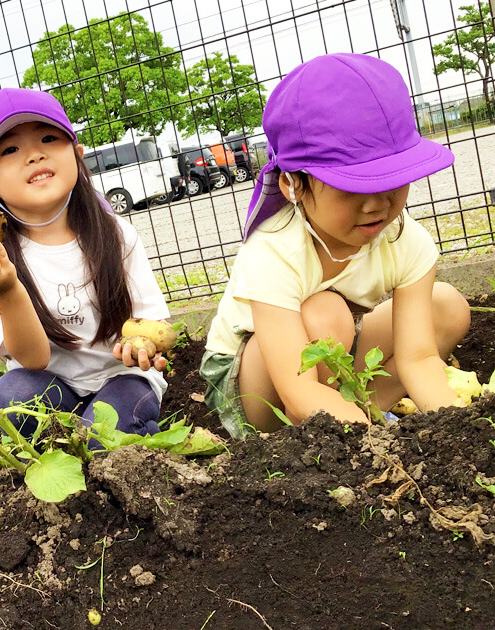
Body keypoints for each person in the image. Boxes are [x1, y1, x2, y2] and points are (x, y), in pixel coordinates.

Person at [200, 53, 470, 438]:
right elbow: (298, 387)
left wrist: (458, 432)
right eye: (354, 185)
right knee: (326, 315)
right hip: (254, 380)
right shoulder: (273, 249)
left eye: (392, 178)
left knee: (446, 306)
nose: (376, 203)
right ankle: (325, 438)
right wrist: (367, 449)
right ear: (293, 184)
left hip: (339, 351)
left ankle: (367, 418)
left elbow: (419, 357)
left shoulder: (406, 241)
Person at [0, 88, 170, 437]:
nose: (34, 154)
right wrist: (7, 289)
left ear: (76, 154)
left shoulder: (115, 234)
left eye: (48, 137)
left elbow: (152, 323)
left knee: (107, 431)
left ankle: (102, 434)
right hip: (54, 386)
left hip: (121, 378)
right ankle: (67, 436)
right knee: (13, 395)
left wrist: (140, 349)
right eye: (11, 149)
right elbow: (32, 360)